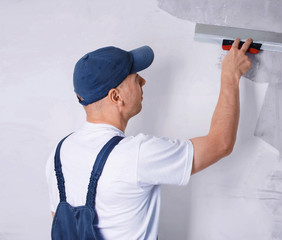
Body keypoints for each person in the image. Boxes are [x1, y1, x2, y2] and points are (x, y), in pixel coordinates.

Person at [46, 38, 252, 239]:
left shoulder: (60, 152)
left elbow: (61, 226)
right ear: (116, 97)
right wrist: (230, 75)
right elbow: (220, 144)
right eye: (133, 76)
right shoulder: (137, 154)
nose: (142, 80)